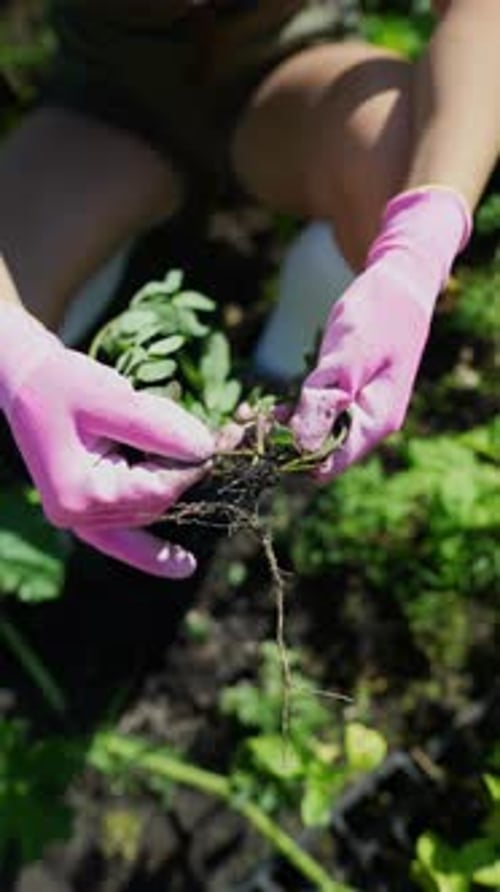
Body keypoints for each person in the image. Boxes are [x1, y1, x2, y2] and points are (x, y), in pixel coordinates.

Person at [0, 0, 497, 579]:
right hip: (106, 107)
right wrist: (16, 351)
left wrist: (420, 240)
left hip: (289, 79)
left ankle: (292, 367)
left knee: (395, 158)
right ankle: (80, 289)